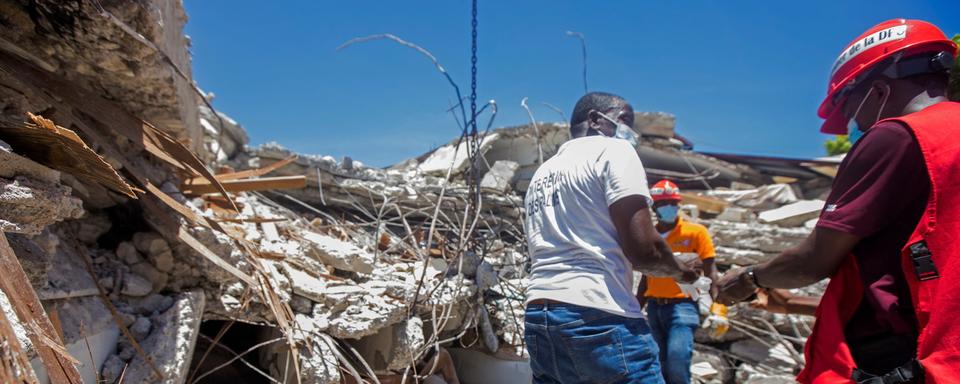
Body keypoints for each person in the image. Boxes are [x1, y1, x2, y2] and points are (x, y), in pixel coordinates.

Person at [715, 19, 960, 384]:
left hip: (907, 362)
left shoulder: (896, 137)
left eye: (850, 113)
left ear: (876, 92)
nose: (852, 128)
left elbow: (813, 261)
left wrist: (748, 278)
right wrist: (794, 303)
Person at [524, 92, 700, 384]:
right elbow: (646, 251)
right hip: (597, 315)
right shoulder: (613, 151)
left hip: (540, 318)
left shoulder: (544, 172)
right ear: (595, 119)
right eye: (625, 122)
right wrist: (683, 272)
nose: (632, 134)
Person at [637, 180, 719, 384]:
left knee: (677, 360)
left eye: (672, 203)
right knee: (659, 364)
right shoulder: (649, 237)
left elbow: (711, 271)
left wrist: (717, 308)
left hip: (683, 306)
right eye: (663, 203)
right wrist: (636, 307)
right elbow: (646, 278)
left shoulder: (695, 232)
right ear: (654, 207)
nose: (669, 207)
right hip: (655, 307)